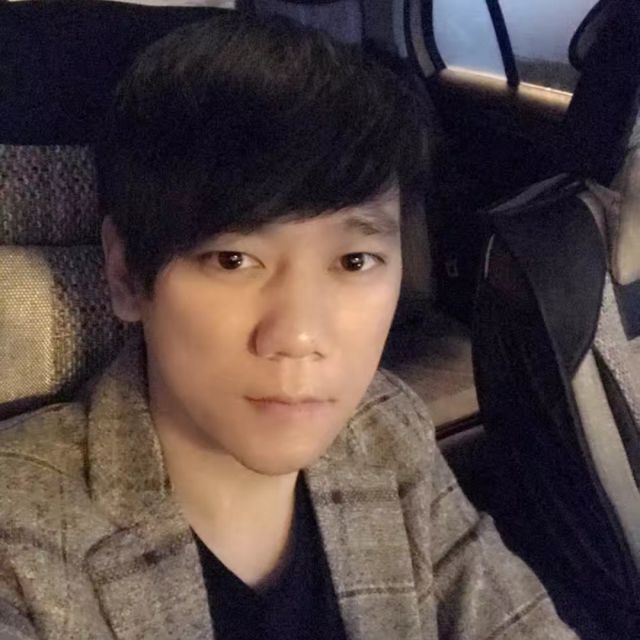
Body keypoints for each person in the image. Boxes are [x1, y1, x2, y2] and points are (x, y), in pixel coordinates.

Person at [0, 13, 578, 640]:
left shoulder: (385, 424)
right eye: (232, 260)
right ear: (125, 275)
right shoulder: (22, 538)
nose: (300, 335)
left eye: (354, 261)